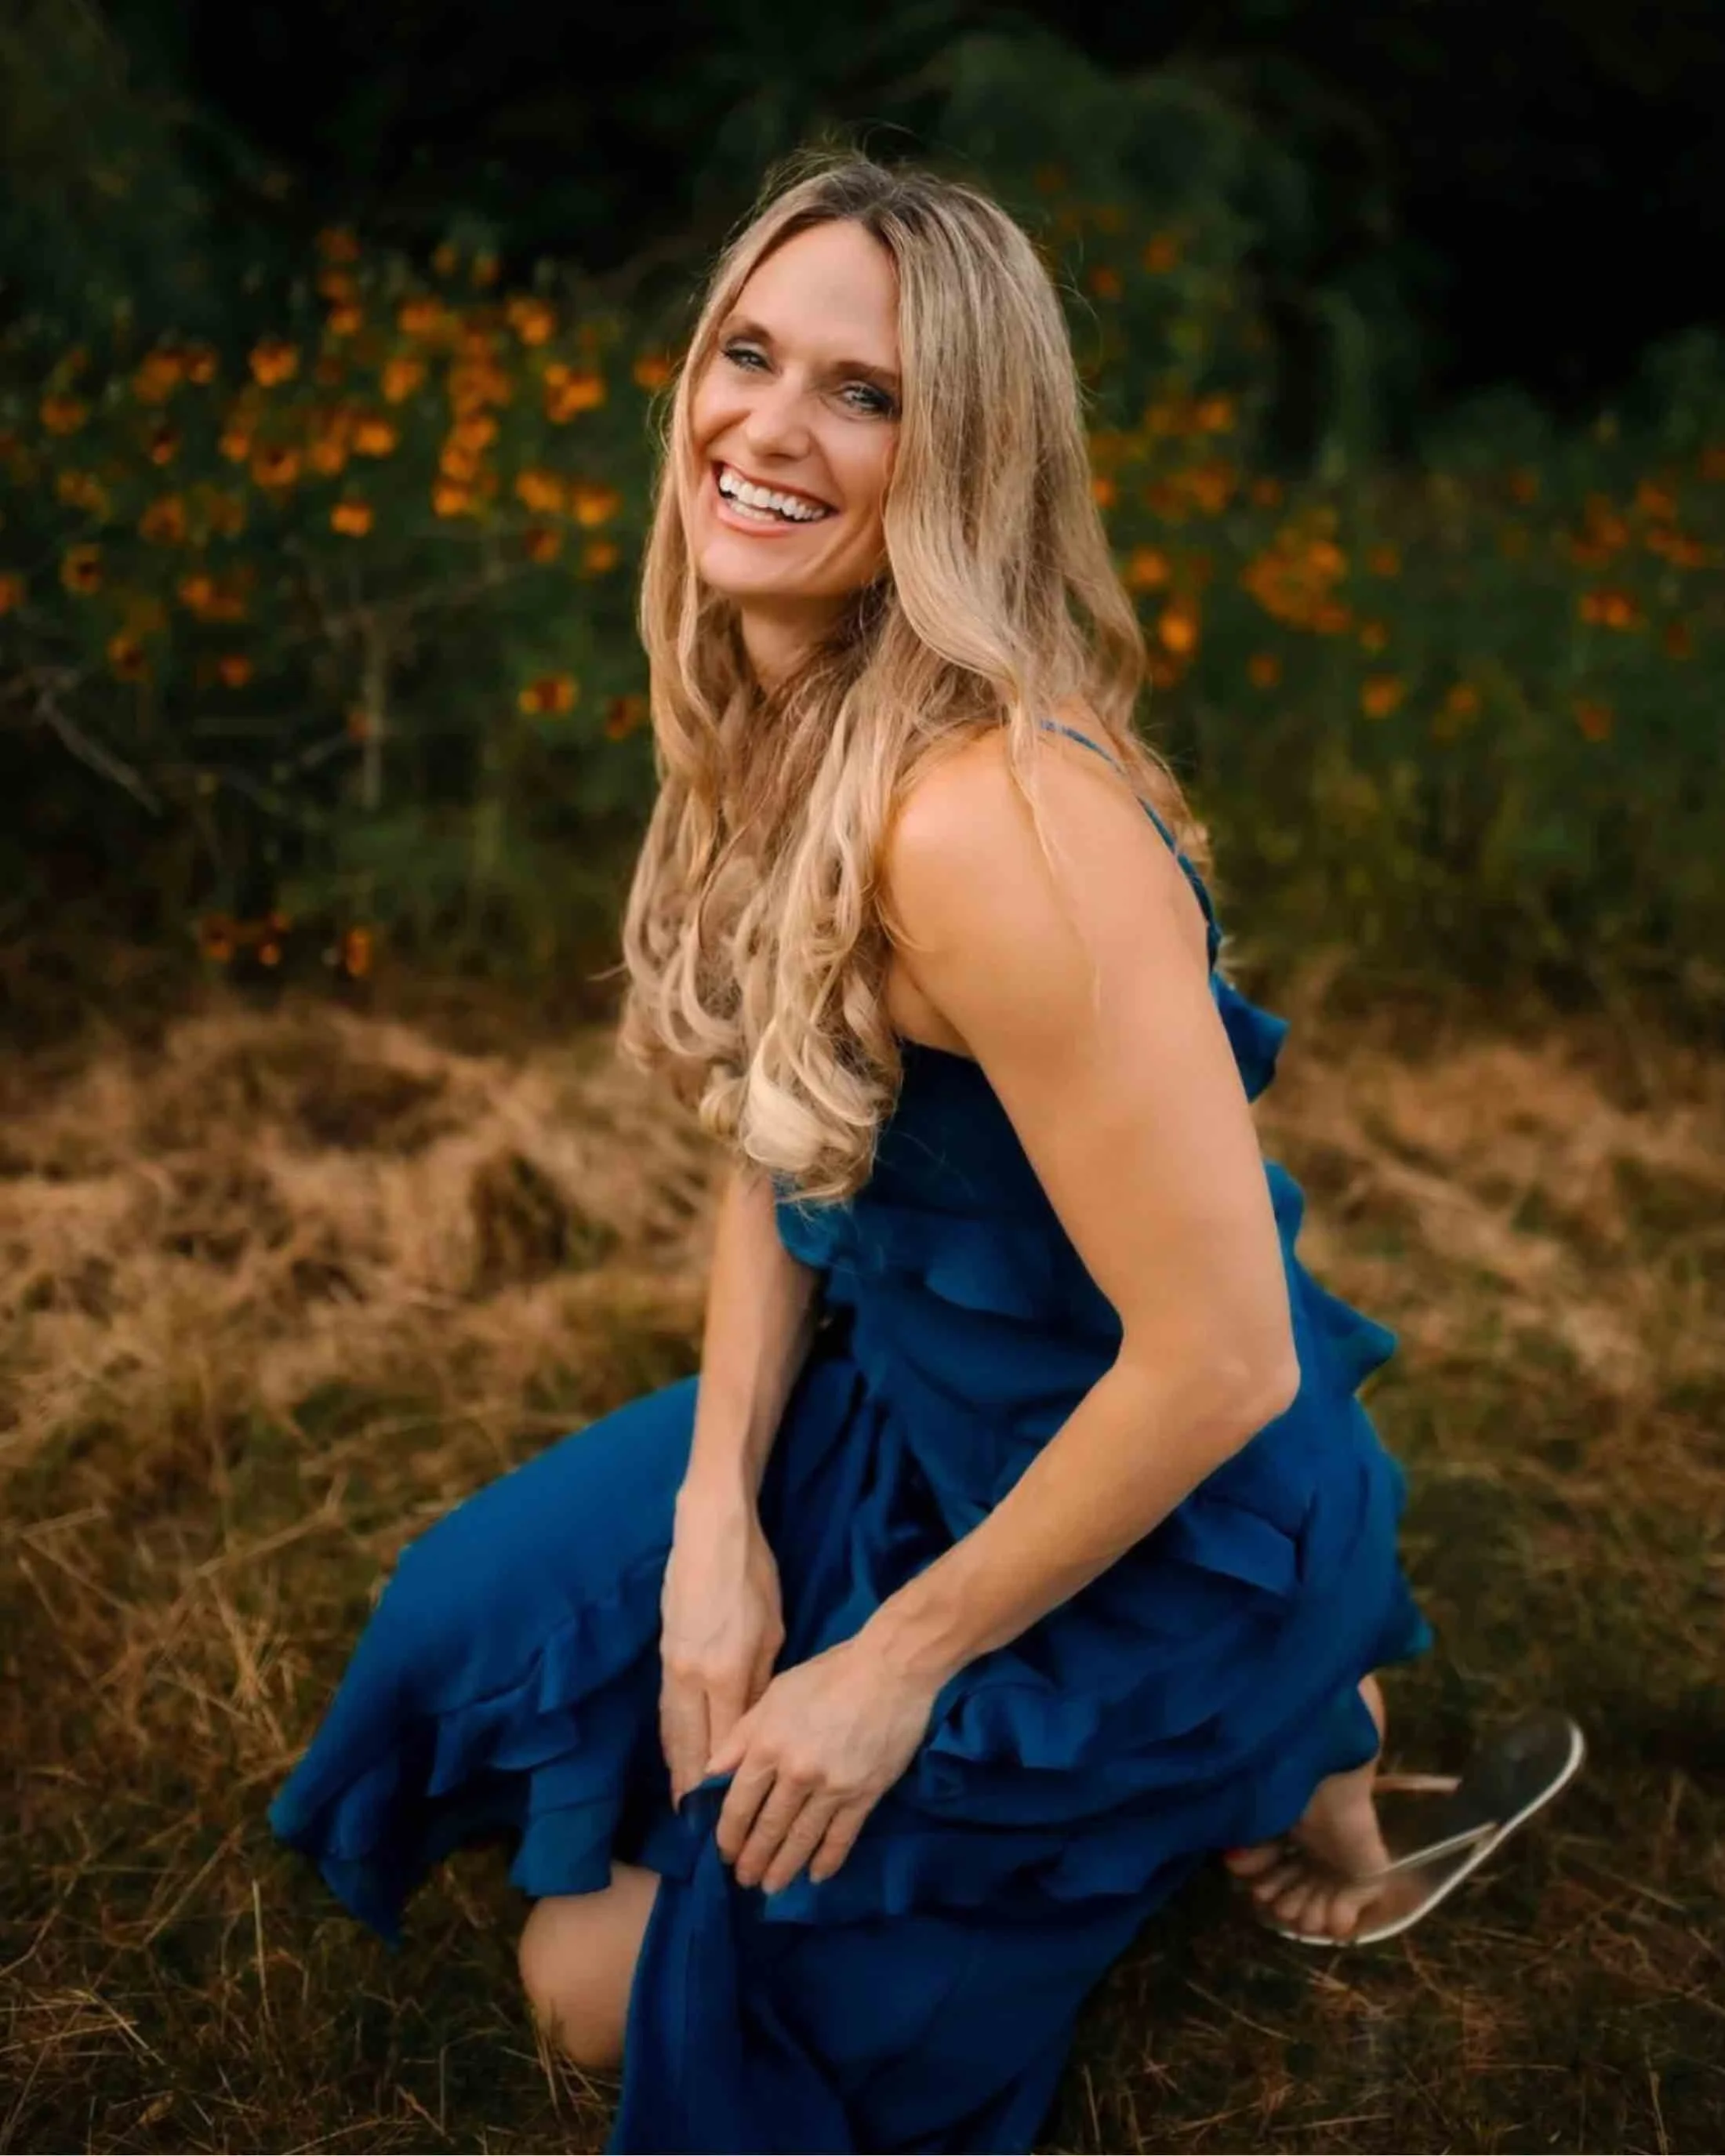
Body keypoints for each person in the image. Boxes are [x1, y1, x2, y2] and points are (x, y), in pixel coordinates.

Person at [269, 150, 1582, 2153]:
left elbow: (1220, 1360)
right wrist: (720, 1518)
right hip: (914, 1410)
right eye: (747, 356)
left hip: (1151, 1519)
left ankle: (1254, 1739)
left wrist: (891, 1661)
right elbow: (780, 1141)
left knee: (590, 1996)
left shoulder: (985, 826)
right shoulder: (768, 698)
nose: (767, 431)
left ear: (966, 453)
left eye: (862, 394)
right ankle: (1233, 1756)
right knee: (468, 1617)